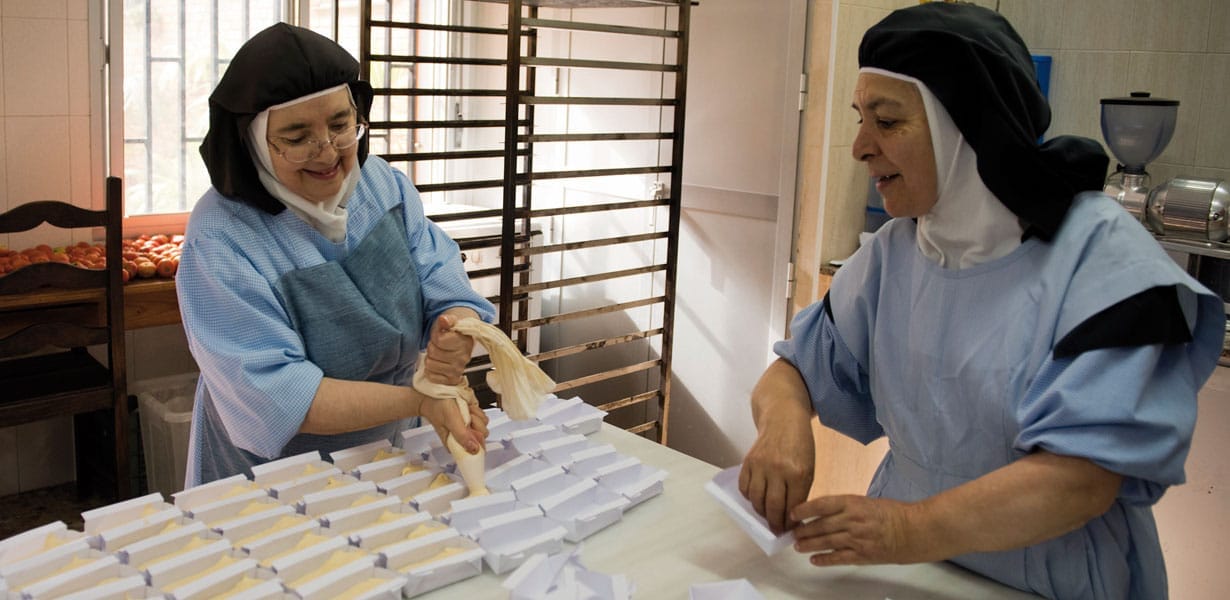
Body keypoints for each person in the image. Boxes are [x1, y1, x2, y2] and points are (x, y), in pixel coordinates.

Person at [738, 4, 1225, 599]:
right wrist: (783, 428)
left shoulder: (1101, 261)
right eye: (860, 119)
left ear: (967, 127)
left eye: (887, 122)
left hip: (1052, 573)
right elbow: (793, 372)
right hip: (915, 572)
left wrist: (909, 527)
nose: (860, 147)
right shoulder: (897, 250)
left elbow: (1081, 479)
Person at [178, 23, 495, 487]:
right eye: (296, 134)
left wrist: (455, 331)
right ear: (253, 142)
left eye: (341, 124)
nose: (327, 151)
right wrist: (422, 400)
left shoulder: (382, 186)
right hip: (270, 479)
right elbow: (278, 395)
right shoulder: (221, 239)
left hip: (385, 451)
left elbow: (442, 278)